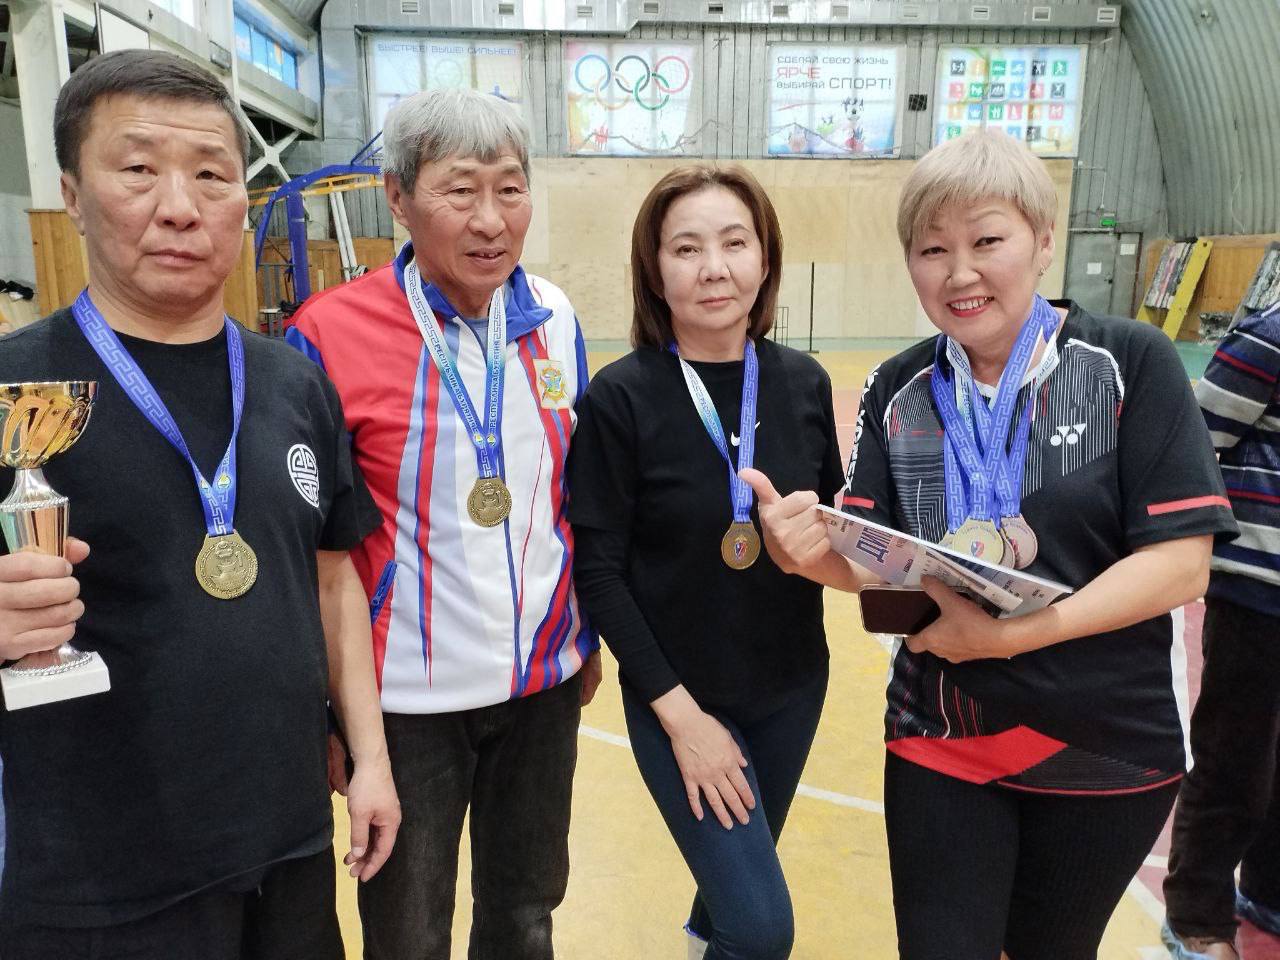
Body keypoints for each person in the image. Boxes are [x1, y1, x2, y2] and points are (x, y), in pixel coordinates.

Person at [748, 129, 1237, 960]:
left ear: (1043, 242)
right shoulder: (899, 389)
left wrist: (1018, 634)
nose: (959, 272)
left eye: (987, 241)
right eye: (932, 249)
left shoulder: (1129, 364)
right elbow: (874, 559)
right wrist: (808, 553)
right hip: (942, 733)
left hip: (1106, 740)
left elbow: (1181, 563)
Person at [0, 50, 399, 959]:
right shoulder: (15, 389)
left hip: (287, 848)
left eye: (212, 175)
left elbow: (332, 581)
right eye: (139, 169)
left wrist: (372, 759)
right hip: (100, 882)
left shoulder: (295, 385)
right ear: (72, 195)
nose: (180, 205)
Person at [286, 86, 601, 960]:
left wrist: (586, 637)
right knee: (408, 935)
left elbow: (568, 495)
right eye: (460, 190)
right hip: (404, 705)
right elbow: (313, 551)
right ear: (398, 197)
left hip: (542, 689)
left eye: (511, 188)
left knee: (525, 916)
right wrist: (331, 711)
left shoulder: (555, 317)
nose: (491, 219)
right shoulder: (328, 335)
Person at [567, 164, 842, 960]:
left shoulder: (804, 383)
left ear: (766, 258)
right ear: (655, 271)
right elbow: (599, 571)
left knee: (725, 899)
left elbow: (838, 532)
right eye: (686, 248)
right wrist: (684, 721)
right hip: (677, 699)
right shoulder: (620, 397)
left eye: (734, 243)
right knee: (759, 929)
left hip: (792, 689)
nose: (714, 268)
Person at [1162, 300, 1280, 960]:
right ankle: (1195, 916)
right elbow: (1195, 437)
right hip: (1259, 591)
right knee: (1235, 758)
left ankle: (1268, 893)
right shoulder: (1271, 335)